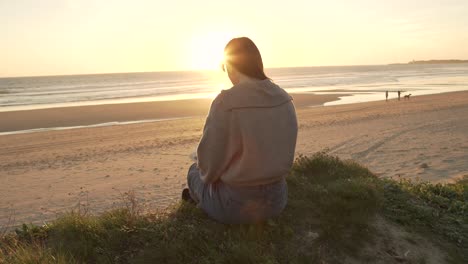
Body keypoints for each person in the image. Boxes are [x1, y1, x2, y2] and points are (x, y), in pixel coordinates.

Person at [182, 37, 298, 224]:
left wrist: (202, 164)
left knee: (193, 172)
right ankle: (206, 201)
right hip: (277, 201)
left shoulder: (225, 102)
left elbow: (209, 170)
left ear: (231, 66)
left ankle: (202, 203)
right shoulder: (285, 99)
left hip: (236, 207)